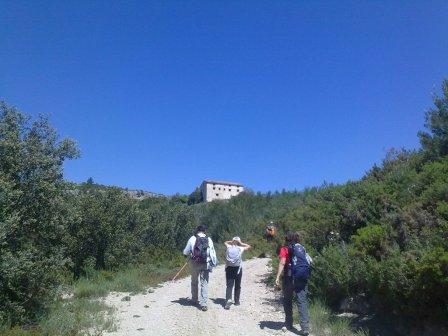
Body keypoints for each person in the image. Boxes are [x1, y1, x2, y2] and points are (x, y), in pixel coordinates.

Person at [275, 231, 312, 335]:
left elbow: (282, 262)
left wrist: (277, 277)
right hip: (301, 277)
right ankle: (305, 328)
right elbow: (309, 261)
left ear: (287, 239)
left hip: (289, 278)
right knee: (302, 301)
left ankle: (289, 323)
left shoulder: (285, 248)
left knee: (287, 300)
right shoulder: (301, 248)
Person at [183, 225, 217, 311]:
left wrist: (190, 254)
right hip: (205, 263)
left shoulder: (192, 238)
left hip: (194, 263)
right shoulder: (209, 239)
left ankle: (194, 299)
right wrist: (213, 263)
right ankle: (204, 303)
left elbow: (185, 252)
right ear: (204, 231)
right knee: (204, 283)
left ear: (197, 231)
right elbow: (212, 252)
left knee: (194, 281)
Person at [223, 237, 251, 309]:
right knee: (237, 285)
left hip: (229, 268)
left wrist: (231, 241)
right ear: (238, 242)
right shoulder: (240, 248)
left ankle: (228, 300)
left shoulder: (228, 246)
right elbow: (248, 246)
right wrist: (241, 243)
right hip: (238, 269)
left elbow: (225, 242)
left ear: (233, 241)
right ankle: (237, 301)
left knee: (229, 285)